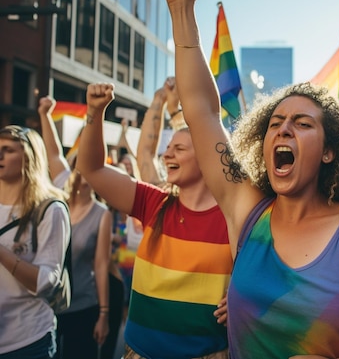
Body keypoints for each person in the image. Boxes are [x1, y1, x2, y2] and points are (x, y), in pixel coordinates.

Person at [165, 0, 339, 358]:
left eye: (303, 124)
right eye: (275, 122)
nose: (283, 128)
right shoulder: (247, 211)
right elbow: (200, 109)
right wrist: (182, 11)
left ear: (330, 151)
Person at [77, 83, 231, 359]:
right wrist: (95, 112)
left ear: (207, 157)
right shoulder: (153, 203)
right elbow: (92, 168)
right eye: (168, 148)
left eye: (179, 148)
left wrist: (242, 299)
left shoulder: (234, 216)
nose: (166, 155)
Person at [38, 96, 113, 359]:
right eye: (75, 167)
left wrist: (104, 314)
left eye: (85, 168)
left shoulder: (101, 214)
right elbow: (52, 153)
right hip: (47, 305)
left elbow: (101, 265)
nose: (78, 174)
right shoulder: (58, 193)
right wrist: (45, 114)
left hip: (83, 306)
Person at [0, 125, 70, 359]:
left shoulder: (50, 210)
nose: (0, 155)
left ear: (29, 157)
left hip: (26, 341)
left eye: (7, 150)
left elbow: (46, 282)